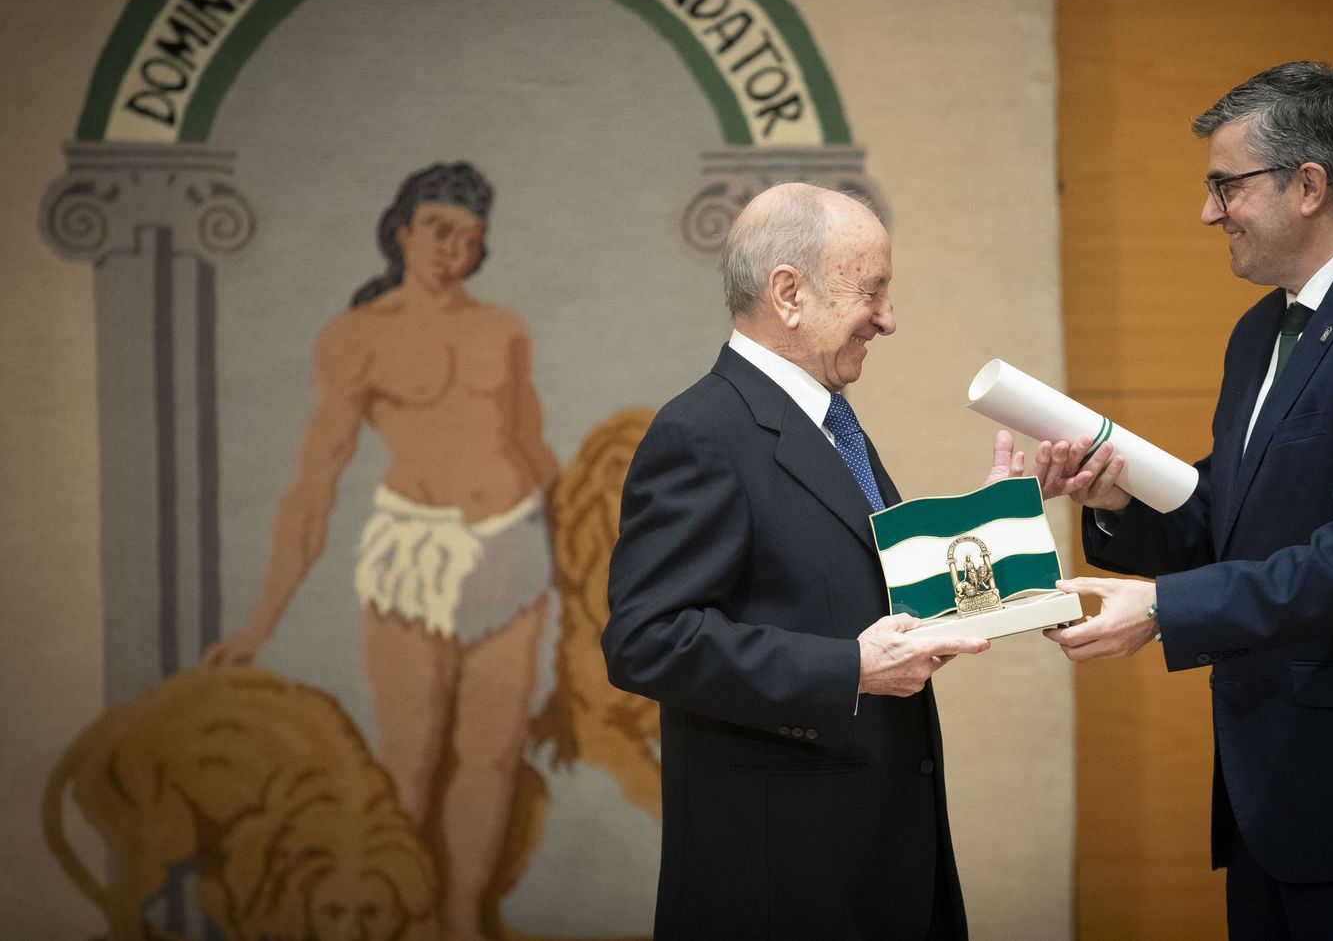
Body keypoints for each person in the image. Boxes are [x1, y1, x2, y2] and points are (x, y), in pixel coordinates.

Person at [1042, 63, 1333, 939]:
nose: (1209, 212)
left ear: (1308, 186)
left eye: (1225, 186)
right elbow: (1236, 514)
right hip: (1275, 806)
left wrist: (1167, 610)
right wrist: (1117, 502)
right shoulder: (1263, 329)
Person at [602, 182, 1000, 941]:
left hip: (880, 854)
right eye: (873, 291)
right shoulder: (702, 433)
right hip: (783, 881)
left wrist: (995, 524)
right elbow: (645, 641)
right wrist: (847, 669)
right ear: (790, 292)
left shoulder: (825, 419)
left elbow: (861, 586)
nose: (888, 319)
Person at [205, 163, 561, 941]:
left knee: (492, 756)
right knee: (411, 758)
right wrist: (258, 625)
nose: (453, 249)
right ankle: (409, 919)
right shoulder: (356, 336)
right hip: (414, 557)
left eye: (469, 238)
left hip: (510, 549)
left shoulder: (501, 327)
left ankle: (463, 917)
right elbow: (312, 485)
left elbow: (532, 446)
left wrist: (588, 557)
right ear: (402, 229)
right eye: (439, 229)